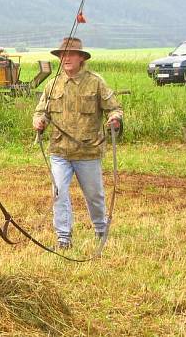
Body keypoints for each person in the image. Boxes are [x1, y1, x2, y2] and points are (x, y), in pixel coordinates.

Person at [32, 37, 123, 250]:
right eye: (62, 55)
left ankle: (101, 230)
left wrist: (115, 119)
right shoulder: (52, 84)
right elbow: (40, 111)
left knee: (94, 196)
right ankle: (64, 238)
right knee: (58, 193)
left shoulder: (96, 82)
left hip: (88, 152)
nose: (66, 58)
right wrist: (38, 121)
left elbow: (115, 108)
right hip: (59, 151)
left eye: (71, 54)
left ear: (81, 58)